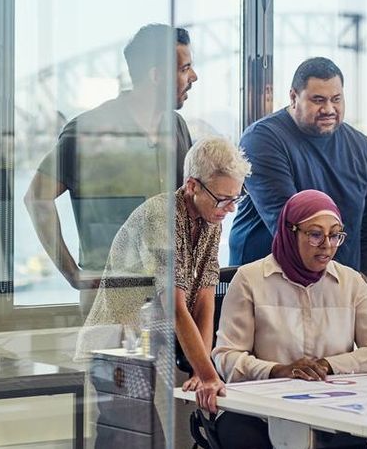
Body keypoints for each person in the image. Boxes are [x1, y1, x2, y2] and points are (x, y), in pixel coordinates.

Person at [76, 137, 250, 422]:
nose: (230, 209)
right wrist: (208, 375)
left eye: (235, 199)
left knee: (141, 432)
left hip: (149, 342)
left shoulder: (210, 217)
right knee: (133, 432)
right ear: (192, 186)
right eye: (223, 199)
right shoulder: (162, 216)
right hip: (117, 343)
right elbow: (175, 307)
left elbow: (205, 299)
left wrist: (200, 370)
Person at [212, 190, 367, 447]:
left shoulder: (350, 282)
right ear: (291, 233)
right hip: (260, 410)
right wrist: (277, 371)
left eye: (335, 235)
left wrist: (328, 365)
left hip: (334, 408)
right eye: (315, 234)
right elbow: (226, 358)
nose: (327, 245)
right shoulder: (250, 279)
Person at [24, 24, 197, 301]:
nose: (194, 77)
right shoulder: (89, 130)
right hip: (109, 298)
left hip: (170, 295)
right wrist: (72, 273)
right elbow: (37, 197)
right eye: (185, 68)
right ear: (157, 76)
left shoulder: (177, 126)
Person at [229, 57, 367, 280]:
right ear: (294, 97)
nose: (328, 109)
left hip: (339, 284)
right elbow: (290, 227)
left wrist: (361, 275)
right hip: (268, 284)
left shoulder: (362, 147)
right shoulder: (261, 140)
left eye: (336, 99)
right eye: (318, 100)